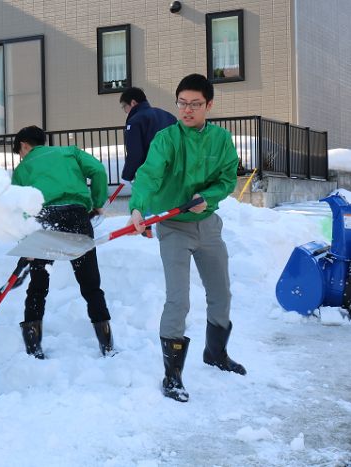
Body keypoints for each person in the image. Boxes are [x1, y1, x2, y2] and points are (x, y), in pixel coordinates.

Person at [125, 74, 246, 403]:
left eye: (194, 104)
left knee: (221, 294)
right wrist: (138, 208)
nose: (187, 110)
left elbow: (226, 177)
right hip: (173, 226)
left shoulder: (221, 139)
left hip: (207, 225)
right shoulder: (166, 139)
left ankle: (216, 353)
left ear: (209, 105)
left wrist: (210, 196)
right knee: (179, 300)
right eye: (182, 103)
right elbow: (148, 174)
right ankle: (172, 375)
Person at [11, 125, 113, 358]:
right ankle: (107, 344)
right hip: (77, 216)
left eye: (20, 151)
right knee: (90, 284)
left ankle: (34, 348)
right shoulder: (70, 152)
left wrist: (26, 241)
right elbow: (97, 169)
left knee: (38, 284)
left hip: (44, 220)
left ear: (23, 146)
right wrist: (98, 203)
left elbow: (19, 208)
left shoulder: (22, 168)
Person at [120, 87, 177, 238]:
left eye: (124, 107)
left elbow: (136, 153)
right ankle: (169, 236)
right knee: (169, 208)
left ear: (133, 102)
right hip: (174, 172)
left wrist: (127, 175)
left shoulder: (136, 120)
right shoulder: (169, 116)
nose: (125, 111)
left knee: (143, 207)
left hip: (151, 174)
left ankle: (147, 238)